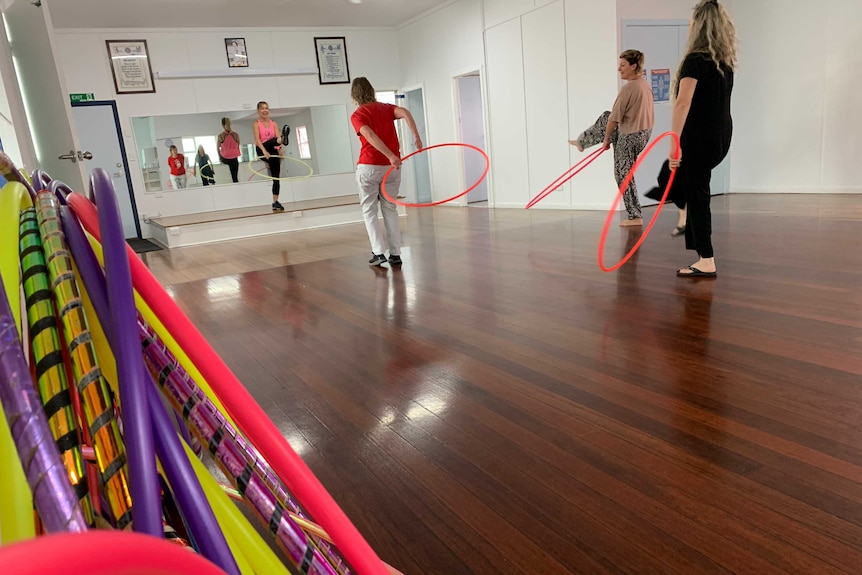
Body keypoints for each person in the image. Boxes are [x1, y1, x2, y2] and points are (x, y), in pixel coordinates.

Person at [646, 0, 736, 278]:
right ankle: (682, 211)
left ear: (697, 25)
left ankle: (706, 258)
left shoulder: (695, 60)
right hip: (720, 137)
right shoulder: (724, 62)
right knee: (677, 180)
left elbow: (682, 103)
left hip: (699, 139)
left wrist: (675, 145)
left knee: (696, 194)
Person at [570, 49, 654, 226]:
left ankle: (635, 216)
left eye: (623, 65)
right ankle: (582, 141)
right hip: (643, 133)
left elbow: (614, 121)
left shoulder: (628, 88)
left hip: (630, 135)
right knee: (605, 116)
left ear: (633, 66)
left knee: (622, 175)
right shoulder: (643, 84)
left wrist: (606, 140)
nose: (619, 69)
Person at [349, 77, 422, 267]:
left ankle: (379, 253)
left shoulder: (358, 114)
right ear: (371, 90)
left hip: (370, 166)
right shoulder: (386, 108)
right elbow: (405, 112)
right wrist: (416, 136)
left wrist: (390, 155)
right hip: (392, 168)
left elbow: (369, 135)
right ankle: (395, 254)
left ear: (354, 95)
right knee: (390, 209)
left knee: (369, 210)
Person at [252, 101, 284, 211]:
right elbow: (257, 139)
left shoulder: (274, 124)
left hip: (273, 150)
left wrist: (280, 149)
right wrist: (264, 151)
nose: (265, 110)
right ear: (258, 111)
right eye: (262, 108)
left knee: (276, 178)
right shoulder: (256, 124)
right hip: (261, 149)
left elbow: (277, 137)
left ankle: (275, 201)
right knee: (275, 140)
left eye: (266, 108)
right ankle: (282, 140)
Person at [217, 117, 241, 183]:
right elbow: (238, 144)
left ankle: (235, 181)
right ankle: (235, 181)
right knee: (234, 177)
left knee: (233, 173)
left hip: (225, 157)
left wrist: (220, 158)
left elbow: (218, 148)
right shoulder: (236, 135)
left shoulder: (221, 135)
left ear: (222, 125)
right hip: (233, 157)